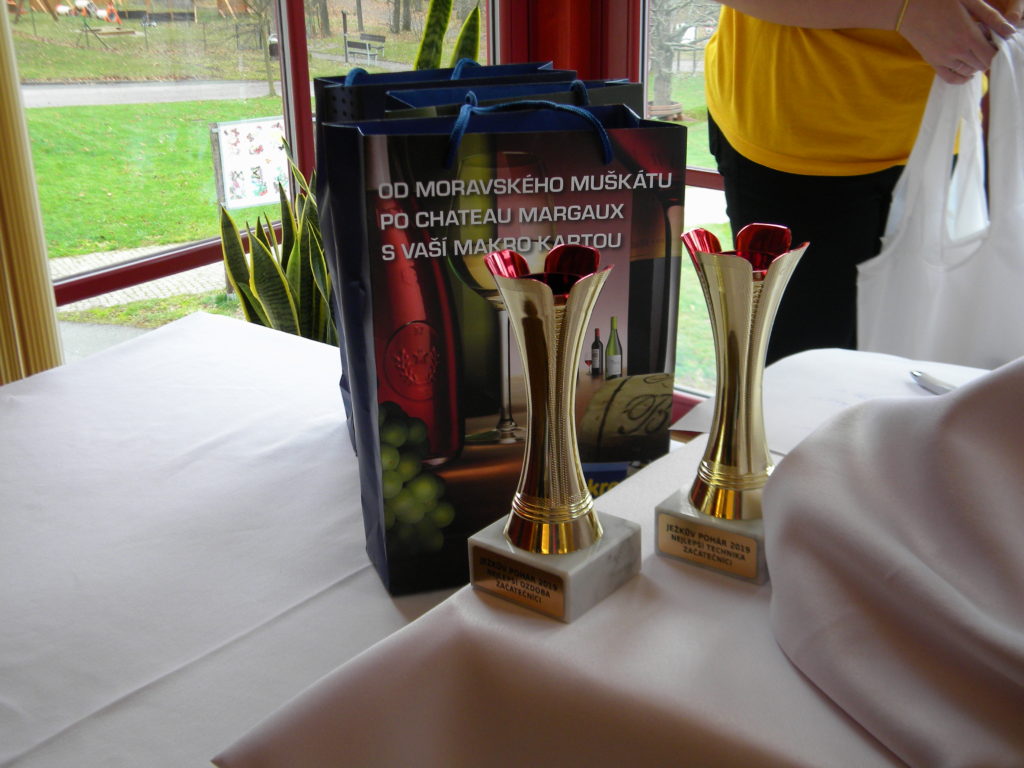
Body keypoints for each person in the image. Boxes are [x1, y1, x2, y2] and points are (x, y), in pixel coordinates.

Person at [704, 0, 1023, 364]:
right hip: (801, 139)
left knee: (908, 361)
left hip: (941, 129)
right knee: (803, 363)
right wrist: (903, 12)